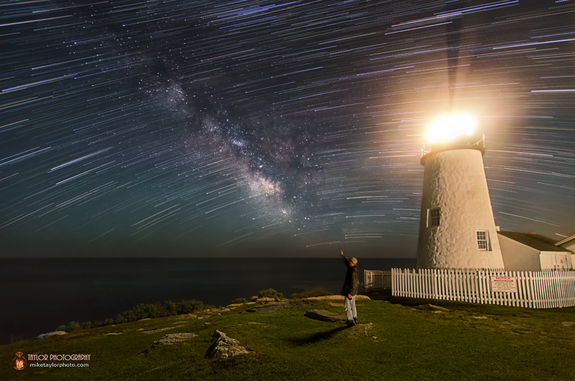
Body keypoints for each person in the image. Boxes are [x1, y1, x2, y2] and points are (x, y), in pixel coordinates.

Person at [340, 249, 359, 327]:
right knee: (353, 306)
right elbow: (347, 261)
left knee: (347, 307)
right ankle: (354, 319)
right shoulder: (353, 269)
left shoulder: (352, 272)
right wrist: (343, 255)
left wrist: (349, 293)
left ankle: (350, 321)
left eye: (350, 261)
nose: (349, 262)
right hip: (354, 292)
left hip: (350, 292)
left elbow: (353, 283)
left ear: (352, 263)